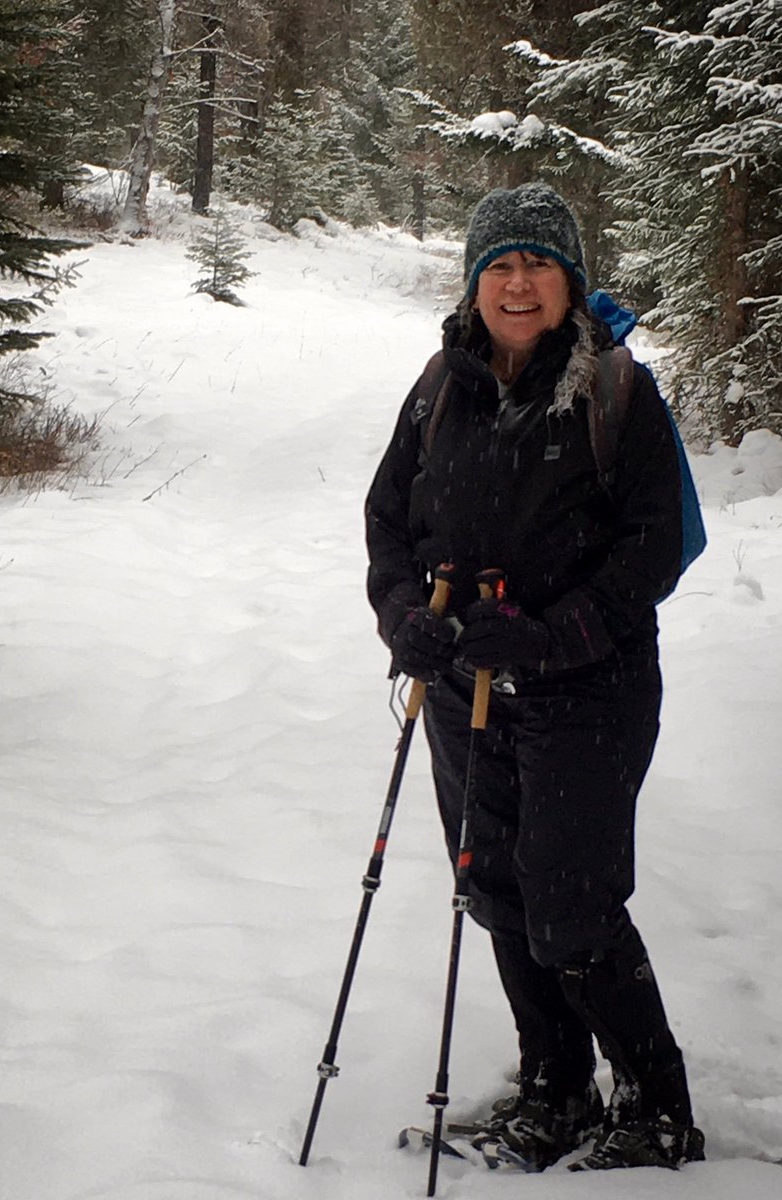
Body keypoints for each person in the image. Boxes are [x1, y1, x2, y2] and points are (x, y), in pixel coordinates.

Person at [364, 182, 704, 1172]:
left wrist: (550, 638)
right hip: (463, 696)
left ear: (569, 282)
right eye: (499, 266)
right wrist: (401, 620)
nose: (518, 283)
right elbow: (390, 525)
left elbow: (658, 548)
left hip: (586, 692)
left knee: (572, 903)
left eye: (538, 265)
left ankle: (654, 1103)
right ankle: (555, 1085)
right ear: (474, 283)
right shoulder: (439, 386)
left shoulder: (616, 391)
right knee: (495, 887)